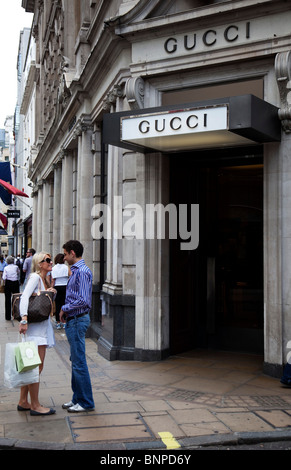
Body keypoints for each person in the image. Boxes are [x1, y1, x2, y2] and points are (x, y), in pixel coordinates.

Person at [18, 252, 56, 416]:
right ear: (39, 263)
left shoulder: (43, 279)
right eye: (47, 260)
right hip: (35, 330)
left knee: (31, 367)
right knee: (36, 368)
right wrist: (24, 319)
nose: (50, 262)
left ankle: (23, 401)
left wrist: (49, 292)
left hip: (40, 328)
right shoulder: (34, 277)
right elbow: (25, 296)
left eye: (50, 259)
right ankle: (35, 405)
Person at [60, 240, 95, 413]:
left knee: (79, 362)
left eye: (65, 254)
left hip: (77, 319)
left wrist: (64, 308)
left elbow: (83, 300)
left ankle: (86, 402)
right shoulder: (77, 271)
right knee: (75, 361)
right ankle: (77, 398)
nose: (64, 258)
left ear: (73, 253)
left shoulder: (81, 271)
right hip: (74, 319)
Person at [51, 253, 71, 328]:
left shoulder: (54, 268)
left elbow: (53, 280)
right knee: (65, 303)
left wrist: (51, 288)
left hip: (57, 287)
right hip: (65, 286)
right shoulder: (66, 267)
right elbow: (71, 276)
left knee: (57, 304)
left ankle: (58, 322)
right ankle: (64, 321)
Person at [3, 256, 20, 321]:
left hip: (8, 283)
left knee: (7, 299)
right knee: (16, 299)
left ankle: (8, 316)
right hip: (15, 282)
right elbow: (18, 273)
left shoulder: (6, 268)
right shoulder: (16, 267)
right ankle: (16, 314)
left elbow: (4, 277)